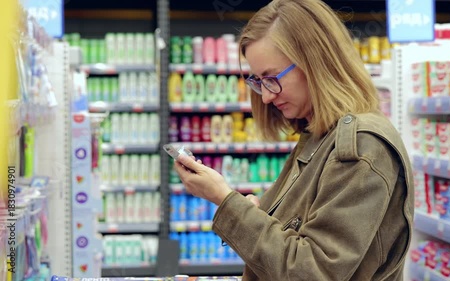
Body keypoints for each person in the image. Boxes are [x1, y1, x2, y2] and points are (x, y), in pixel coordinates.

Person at [173, 0, 414, 280]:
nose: (265, 97)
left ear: (316, 62)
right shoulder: (320, 135)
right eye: (257, 82)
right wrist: (255, 214)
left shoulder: (361, 146)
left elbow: (310, 271)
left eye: (272, 78)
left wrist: (225, 200)